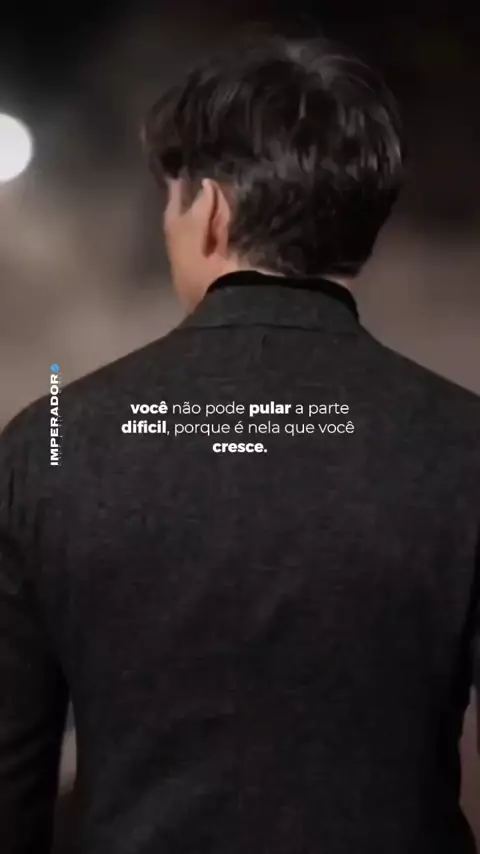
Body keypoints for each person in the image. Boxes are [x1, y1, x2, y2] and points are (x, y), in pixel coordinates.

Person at [1, 31, 479, 854]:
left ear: (212, 210)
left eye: (172, 199)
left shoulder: (51, 438)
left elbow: (9, 768)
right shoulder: (463, 441)